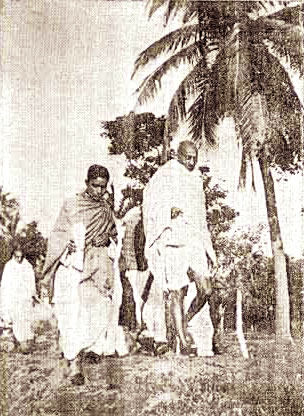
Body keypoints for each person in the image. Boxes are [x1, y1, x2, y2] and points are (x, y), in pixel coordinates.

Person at [41, 165, 129, 385]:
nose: (99, 191)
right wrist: (67, 243)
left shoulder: (106, 208)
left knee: (98, 311)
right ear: (86, 183)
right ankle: (73, 365)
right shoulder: (72, 205)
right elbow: (58, 235)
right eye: (95, 186)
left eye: (103, 187)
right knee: (73, 315)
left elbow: (113, 234)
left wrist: (107, 240)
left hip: (98, 267)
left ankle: (85, 355)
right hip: (74, 267)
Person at [142, 141, 216, 354]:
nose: (192, 162)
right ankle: (183, 343)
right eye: (188, 158)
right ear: (177, 156)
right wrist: (168, 210)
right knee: (177, 292)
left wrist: (210, 251)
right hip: (172, 239)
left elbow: (201, 218)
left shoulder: (196, 180)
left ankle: (183, 322)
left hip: (193, 240)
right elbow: (149, 203)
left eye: (195, 158)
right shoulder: (164, 175)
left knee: (206, 289)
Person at [0, 246, 37, 352]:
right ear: (13, 255)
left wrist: (32, 294)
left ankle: (28, 342)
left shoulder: (27, 266)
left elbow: (31, 282)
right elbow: (5, 285)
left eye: (21, 257)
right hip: (14, 299)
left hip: (25, 299)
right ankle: (22, 344)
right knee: (17, 321)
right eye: (17, 257)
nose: (19, 259)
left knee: (27, 320)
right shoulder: (9, 266)